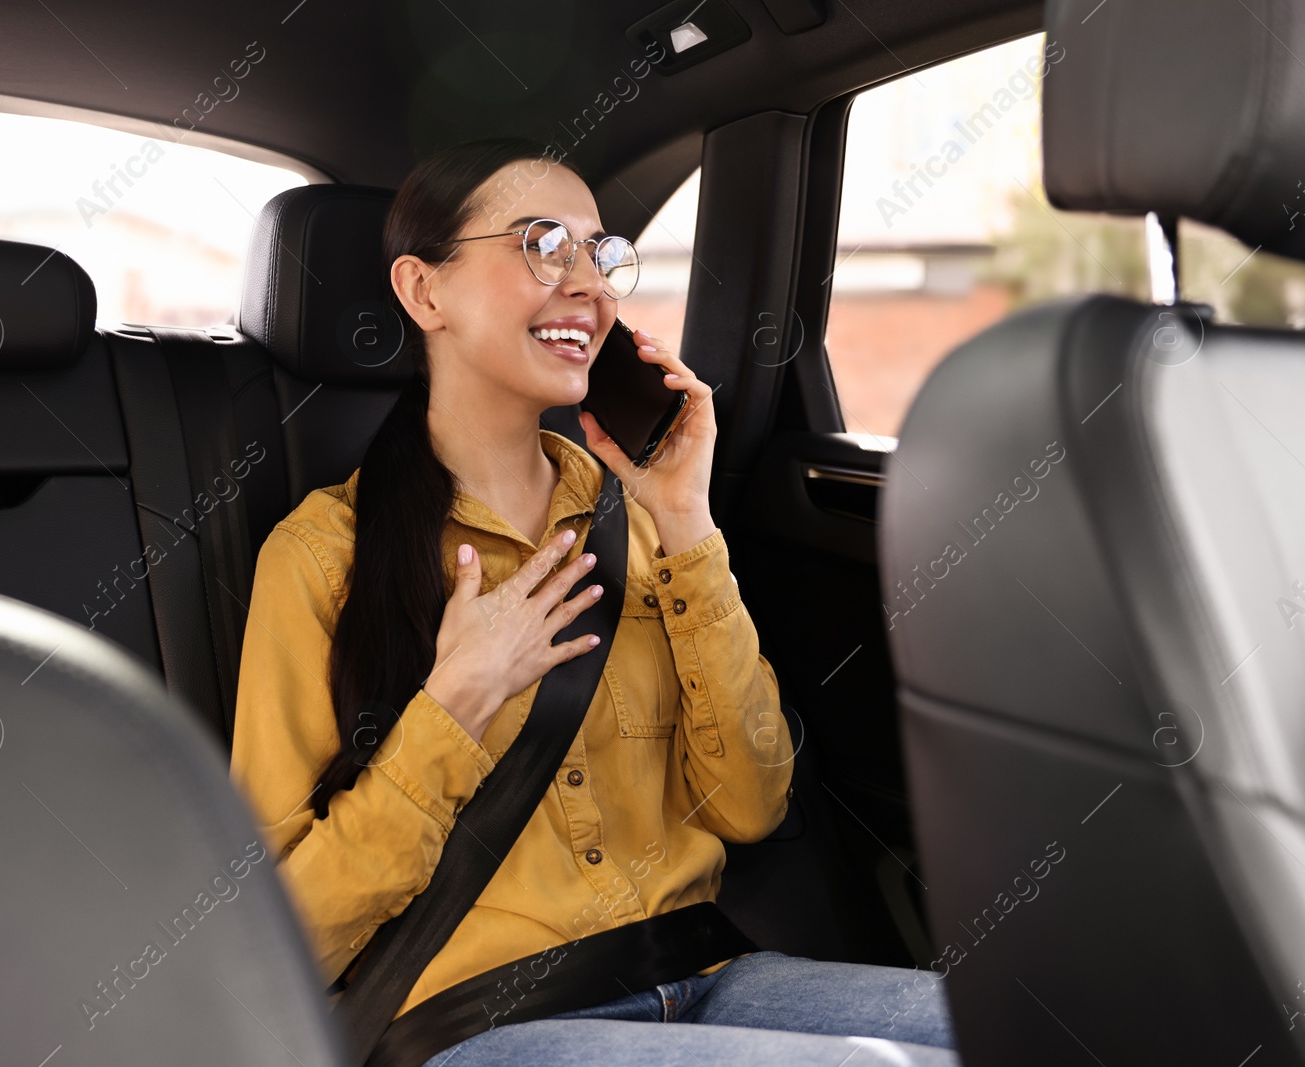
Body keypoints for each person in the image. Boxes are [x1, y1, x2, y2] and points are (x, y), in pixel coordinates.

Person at [229, 137, 958, 1066]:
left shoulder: (641, 522)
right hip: (484, 1021)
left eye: (602, 255)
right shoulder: (323, 558)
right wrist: (454, 705)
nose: (591, 286)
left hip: (706, 974)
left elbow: (753, 805)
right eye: (543, 245)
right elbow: (281, 937)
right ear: (424, 292)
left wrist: (689, 525)